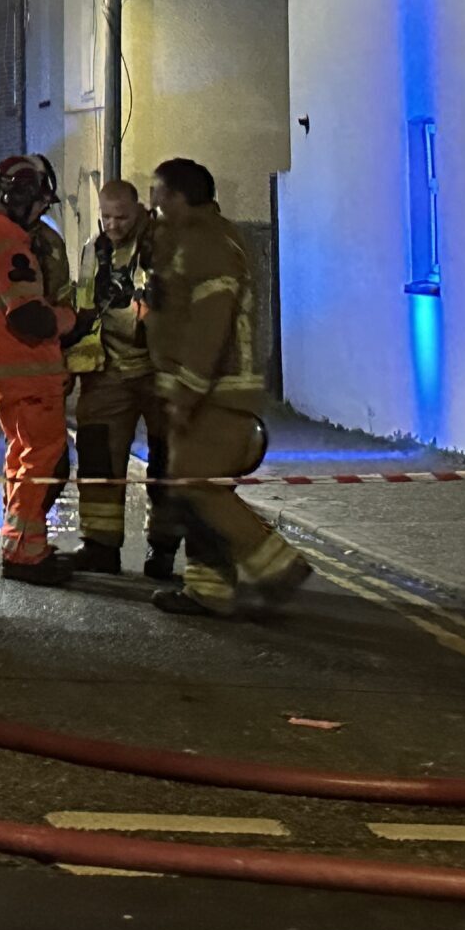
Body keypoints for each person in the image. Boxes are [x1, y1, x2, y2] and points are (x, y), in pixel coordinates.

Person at [142, 158, 311, 619]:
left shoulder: (207, 245)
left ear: (178, 196)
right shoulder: (196, 238)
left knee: (200, 486)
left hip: (215, 393)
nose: (152, 200)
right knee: (192, 488)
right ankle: (209, 588)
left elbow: (207, 328)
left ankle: (277, 564)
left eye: (157, 191)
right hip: (206, 390)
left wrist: (185, 393)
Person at [0, 155, 82, 585]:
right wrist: (73, 320)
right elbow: (31, 318)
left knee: (21, 461)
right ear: (25, 199)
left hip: (4, 377)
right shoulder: (11, 246)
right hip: (30, 375)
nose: (40, 215)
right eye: (40, 205)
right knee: (40, 464)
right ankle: (25, 553)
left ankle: (22, 543)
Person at [73, 180, 181, 579]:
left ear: (138, 210)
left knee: (167, 462)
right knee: (98, 455)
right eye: (107, 217)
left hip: (158, 370)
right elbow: (83, 303)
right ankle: (100, 546)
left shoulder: (162, 246)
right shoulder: (93, 249)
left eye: (122, 217)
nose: (113, 225)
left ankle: (163, 548)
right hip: (108, 369)